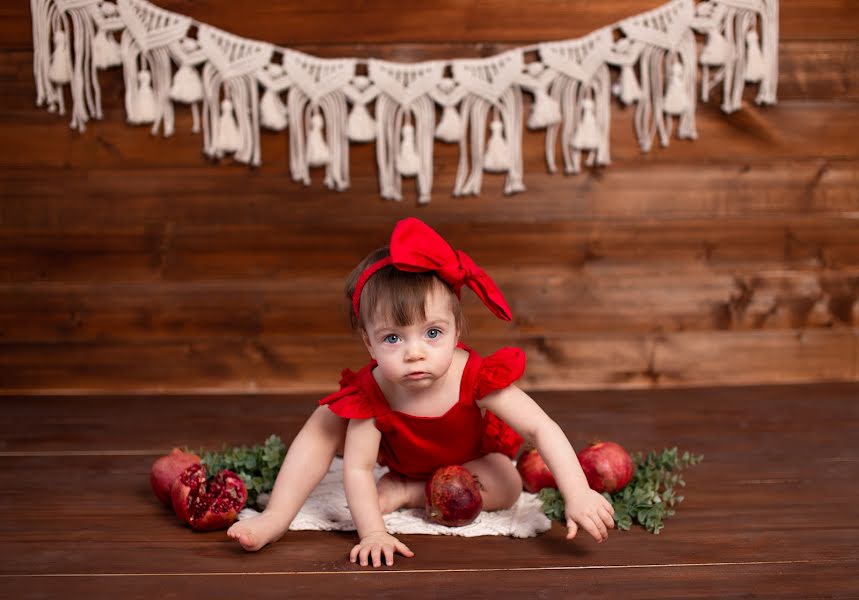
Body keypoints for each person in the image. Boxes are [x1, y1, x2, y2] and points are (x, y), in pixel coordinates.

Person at [228, 218, 615, 566]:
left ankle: (411, 492)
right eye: (393, 338)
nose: (415, 353)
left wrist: (577, 492)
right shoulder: (373, 393)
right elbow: (359, 468)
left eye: (432, 333)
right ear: (368, 344)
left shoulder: (474, 377)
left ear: (456, 331)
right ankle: (276, 516)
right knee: (325, 420)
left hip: (471, 465)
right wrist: (374, 533)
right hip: (403, 460)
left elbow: (540, 428)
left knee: (509, 482)